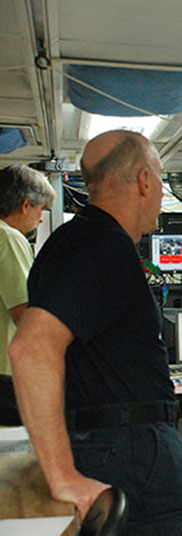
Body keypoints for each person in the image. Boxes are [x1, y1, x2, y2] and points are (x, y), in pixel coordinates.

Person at [8, 130, 182, 534]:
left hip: (114, 440)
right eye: (162, 178)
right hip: (131, 447)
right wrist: (62, 475)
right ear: (145, 181)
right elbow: (30, 348)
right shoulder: (99, 245)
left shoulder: (76, 241)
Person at [0, 164, 55, 425]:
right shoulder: (8, 238)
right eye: (41, 209)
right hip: (6, 376)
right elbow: (24, 314)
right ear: (24, 204)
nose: (41, 218)